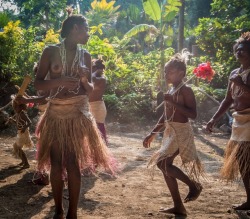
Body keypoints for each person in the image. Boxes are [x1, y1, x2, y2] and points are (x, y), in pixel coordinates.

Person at [34, 9, 117, 219]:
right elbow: (38, 84)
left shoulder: (85, 56)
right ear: (76, 29)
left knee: (72, 161)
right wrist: (60, 81)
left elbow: (90, 90)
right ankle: (59, 211)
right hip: (56, 112)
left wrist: (82, 79)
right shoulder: (50, 51)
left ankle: (72, 213)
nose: (89, 34)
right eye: (87, 30)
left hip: (77, 113)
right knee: (55, 161)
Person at [143, 51, 203, 216]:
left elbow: (193, 114)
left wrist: (174, 103)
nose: (165, 74)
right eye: (165, 71)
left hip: (181, 131)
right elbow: (164, 116)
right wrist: (152, 133)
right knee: (164, 166)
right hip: (170, 131)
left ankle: (193, 185)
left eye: (169, 71)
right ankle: (178, 206)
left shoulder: (186, 90)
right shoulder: (171, 90)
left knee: (163, 164)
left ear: (181, 73)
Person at [206, 32, 250, 211]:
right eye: (237, 50)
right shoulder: (234, 73)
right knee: (242, 162)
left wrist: (241, 84)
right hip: (238, 121)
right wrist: (213, 119)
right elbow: (228, 100)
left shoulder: (240, 77)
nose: (240, 52)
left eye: (244, 50)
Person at [10, 96, 33, 169]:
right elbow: (17, 123)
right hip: (19, 132)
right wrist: (12, 121)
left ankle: (26, 163)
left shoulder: (23, 114)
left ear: (22, 107)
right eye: (15, 107)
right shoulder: (17, 114)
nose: (16, 109)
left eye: (17, 107)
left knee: (19, 148)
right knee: (16, 147)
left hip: (24, 133)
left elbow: (29, 122)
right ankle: (23, 161)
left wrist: (24, 128)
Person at [89, 58, 108, 144]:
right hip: (89, 106)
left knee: (99, 130)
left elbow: (93, 80)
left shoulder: (102, 79)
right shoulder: (91, 77)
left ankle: (102, 151)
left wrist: (96, 72)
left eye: (92, 67)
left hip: (98, 107)